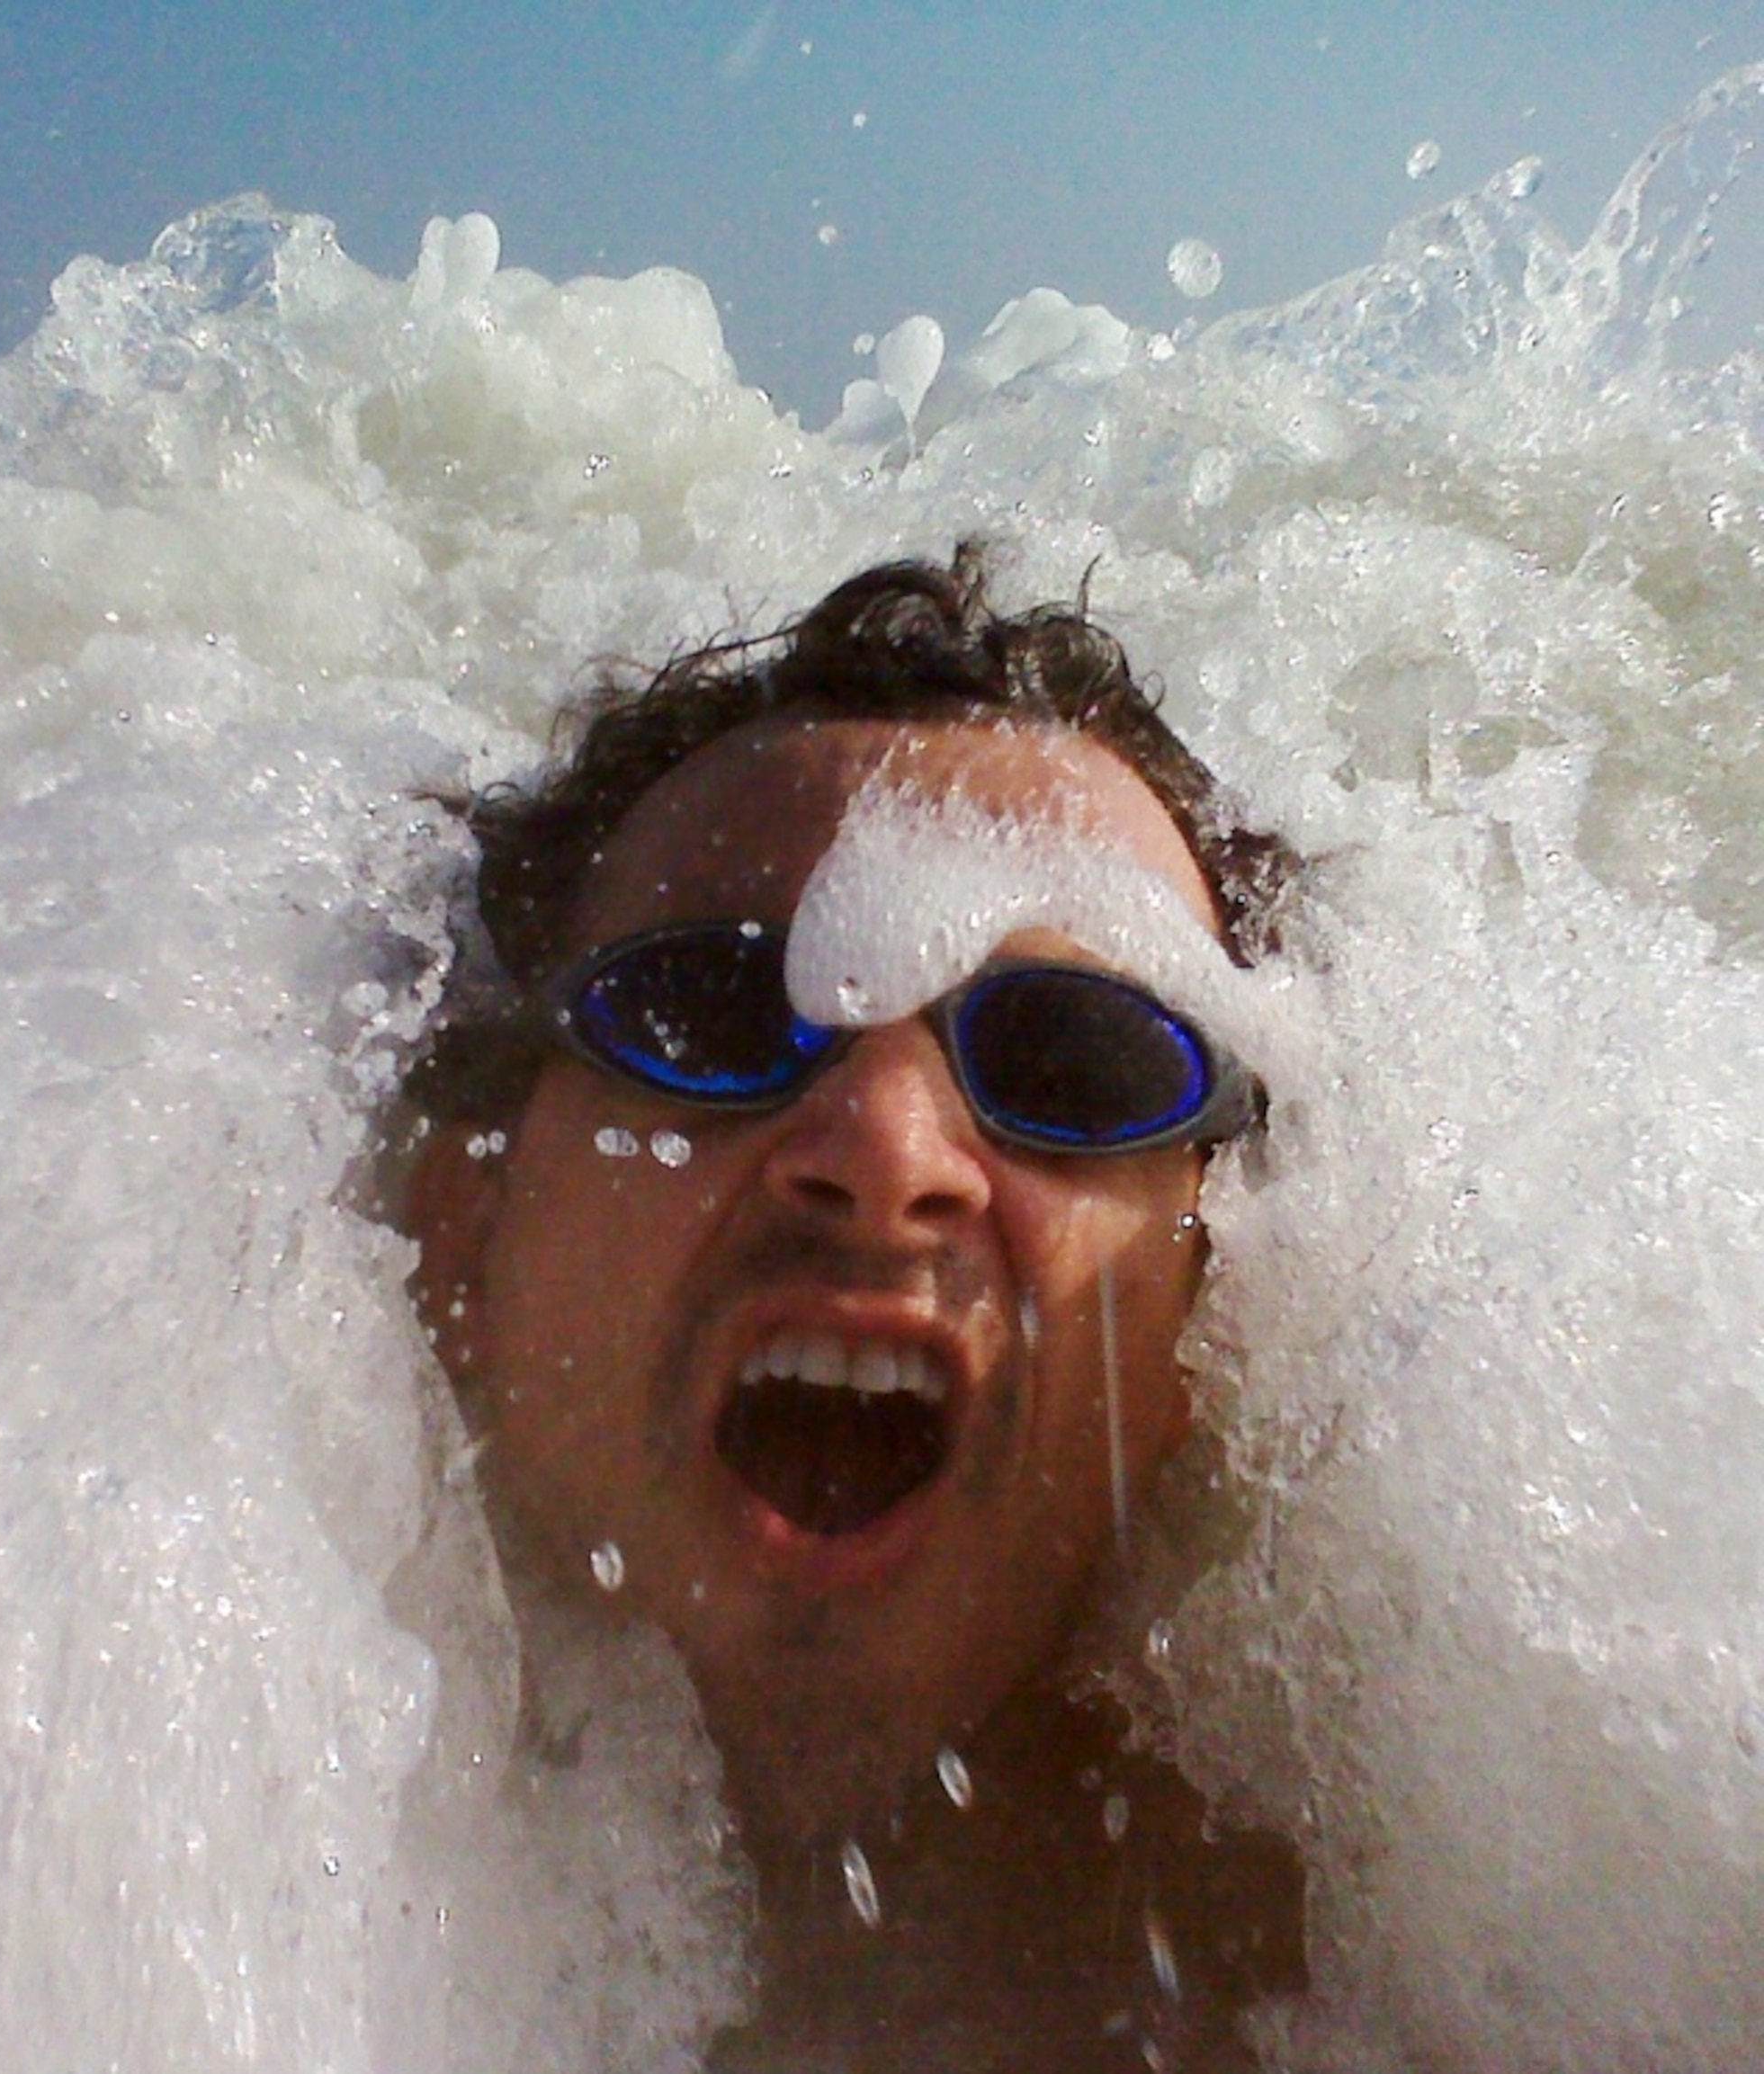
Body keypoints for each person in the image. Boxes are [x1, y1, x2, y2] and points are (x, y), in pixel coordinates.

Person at [400, 546, 1307, 2070]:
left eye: (1076, 1063)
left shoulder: (1423, 1966)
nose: (885, 1154)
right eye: (710, 1013)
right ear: (460, 1242)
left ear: (1205, 1342)